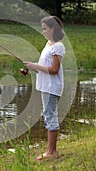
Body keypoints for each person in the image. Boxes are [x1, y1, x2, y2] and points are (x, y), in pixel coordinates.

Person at [24, 16, 65, 161]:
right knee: (48, 114)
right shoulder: (48, 44)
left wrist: (35, 66)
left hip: (51, 87)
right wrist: (32, 68)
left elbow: (54, 69)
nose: (43, 32)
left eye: (45, 29)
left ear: (53, 29)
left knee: (50, 115)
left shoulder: (58, 46)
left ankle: (52, 152)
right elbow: (44, 66)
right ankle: (50, 150)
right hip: (45, 86)